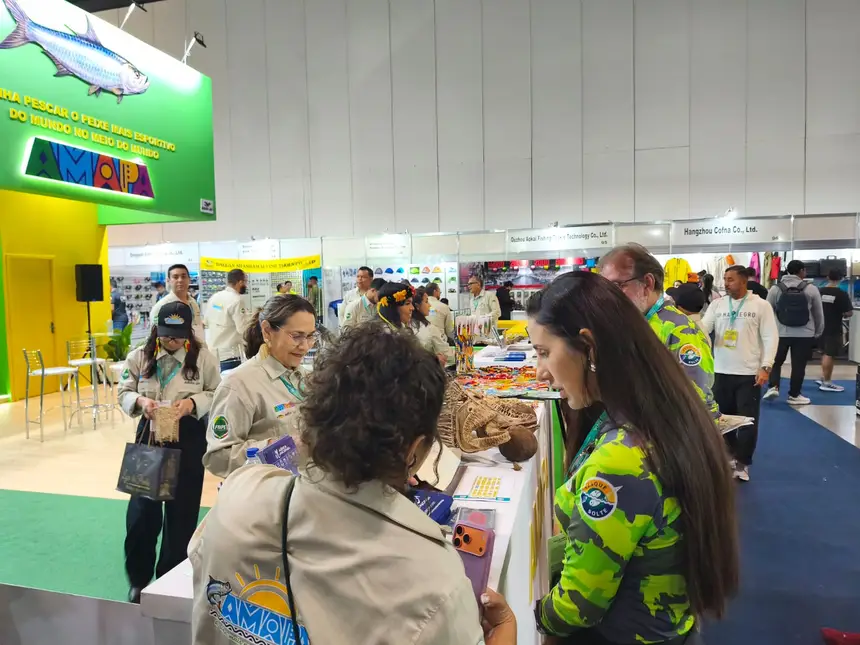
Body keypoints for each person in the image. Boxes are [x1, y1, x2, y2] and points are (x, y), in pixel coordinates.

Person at [190, 325, 517, 645]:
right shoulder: (435, 582)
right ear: (415, 450)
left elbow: (199, 558)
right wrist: (506, 631)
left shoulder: (243, 492)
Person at [527, 272, 738, 644]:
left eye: (544, 353)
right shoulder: (665, 411)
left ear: (588, 348)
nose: (539, 371)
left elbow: (578, 605)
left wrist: (527, 617)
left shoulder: (619, 459)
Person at [118, 301, 221, 604]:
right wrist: (141, 403)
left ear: (189, 331)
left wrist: (192, 404)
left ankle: (167, 581)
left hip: (188, 439)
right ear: (156, 330)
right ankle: (138, 581)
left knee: (182, 518)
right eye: (166, 335)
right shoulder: (140, 356)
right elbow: (123, 391)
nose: (171, 341)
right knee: (141, 517)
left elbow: (218, 392)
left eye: (178, 335)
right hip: (149, 440)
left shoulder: (203, 359)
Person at [599, 244, 720, 420]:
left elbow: (697, 400)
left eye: (617, 286)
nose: (610, 297)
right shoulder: (636, 323)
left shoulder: (679, 331)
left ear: (647, 283)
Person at [204, 295, 317, 478]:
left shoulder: (307, 378)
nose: (304, 346)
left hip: (306, 492)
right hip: (266, 496)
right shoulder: (239, 385)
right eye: (296, 336)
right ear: (267, 331)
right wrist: (279, 448)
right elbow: (218, 457)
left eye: (310, 337)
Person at [702, 266, 778, 482]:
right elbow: (703, 329)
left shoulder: (761, 306)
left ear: (744, 281)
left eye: (731, 279)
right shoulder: (718, 304)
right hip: (720, 371)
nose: (726, 283)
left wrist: (766, 366)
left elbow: (771, 337)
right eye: (725, 279)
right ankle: (727, 455)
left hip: (749, 373)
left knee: (747, 420)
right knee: (722, 418)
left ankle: (743, 462)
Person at [764, 260, 825, 405]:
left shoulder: (776, 289)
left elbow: (767, 311)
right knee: (798, 366)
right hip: (804, 334)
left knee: (775, 362)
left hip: (780, 333)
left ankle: (773, 387)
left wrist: (768, 331)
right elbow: (818, 314)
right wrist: (817, 332)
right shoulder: (811, 289)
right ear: (802, 271)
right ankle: (794, 395)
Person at [204, 269, 251, 372]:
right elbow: (242, 328)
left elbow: (206, 321)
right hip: (231, 354)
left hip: (214, 353)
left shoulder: (215, 297)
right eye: (246, 282)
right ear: (240, 282)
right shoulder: (237, 300)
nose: (246, 285)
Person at [817, 269, 853, 392]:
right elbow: (849, 312)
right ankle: (827, 382)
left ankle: (823, 378)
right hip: (833, 328)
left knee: (824, 353)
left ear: (827, 277)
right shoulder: (841, 294)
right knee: (829, 354)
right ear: (841, 279)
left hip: (819, 327)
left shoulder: (819, 292)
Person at [150, 264, 205, 344]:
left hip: (199, 348)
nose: (180, 280)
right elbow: (154, 335)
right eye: (175, 277)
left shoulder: (193, 302)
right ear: (168, 281)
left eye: (183, 276)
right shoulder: (161, 306)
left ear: (189, 279)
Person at [411, 287, 449, 365]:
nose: (429, 305)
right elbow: (446, 353)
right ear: (417, 306)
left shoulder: (404, 326)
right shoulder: (429, 328)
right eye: (426, 301)